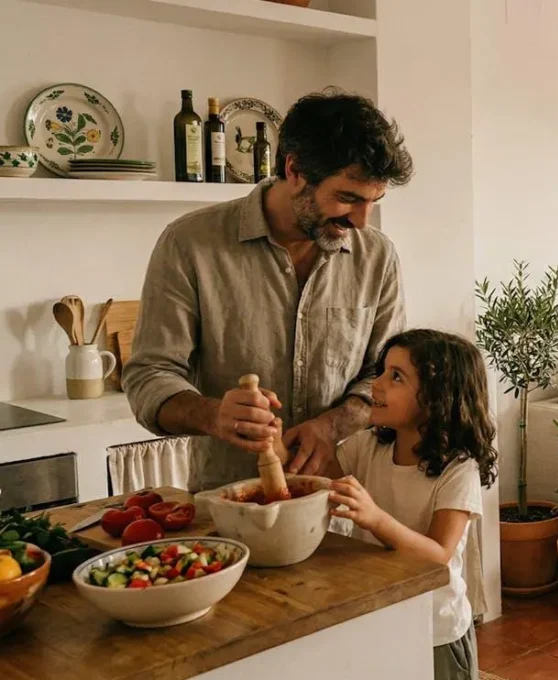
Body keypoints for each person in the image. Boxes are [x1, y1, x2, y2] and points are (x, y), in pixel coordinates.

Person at [123, 89, 413, 491]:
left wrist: (332, 426)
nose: (363, 222)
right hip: (230, 509)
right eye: (348, 199)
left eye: (373, 202)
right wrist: (213, 415)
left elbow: (381, 376)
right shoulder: (189, 243)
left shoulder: (378, 256)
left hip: (346, 507)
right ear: (294, 169)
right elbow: (149, 375)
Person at [322, 329, 495, 680]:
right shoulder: (367, 446)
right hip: (379, 618)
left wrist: (374, 519)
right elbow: (317, 481)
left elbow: (438, 555)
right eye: (383, 371)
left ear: (436, 397)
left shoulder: (458, 469)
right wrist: (271, 443)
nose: (378, 384)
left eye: (396, 376)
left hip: (436, 632)